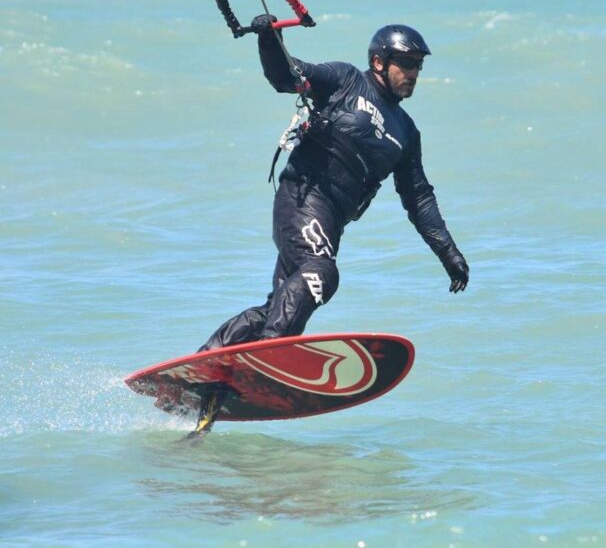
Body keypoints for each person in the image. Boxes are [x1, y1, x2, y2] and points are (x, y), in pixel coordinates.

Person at [197, 19, 469, 353]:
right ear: (379, 62)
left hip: (330, 222)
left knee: (277, 309)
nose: (414, 73)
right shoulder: (346, 80)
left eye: (419, 66)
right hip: (303, 199)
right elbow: (286, 76)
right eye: (408, 63)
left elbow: (419, 199)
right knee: (321, 273)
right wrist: (270, 39)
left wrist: (448, 252)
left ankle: (208, 371)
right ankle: (271, 353)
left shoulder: (407, 133)